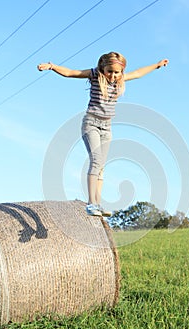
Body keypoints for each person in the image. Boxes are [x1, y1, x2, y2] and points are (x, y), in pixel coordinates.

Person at [37, 52, 169, 216]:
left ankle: (97, 204)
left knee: (101, 167)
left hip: (107, 127)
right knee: (96, 160)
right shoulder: (94, 75)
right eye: (109, 71)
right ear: (102, 68)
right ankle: (91, 203)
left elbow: (138, 73)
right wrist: (52, 66)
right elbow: (72, 73)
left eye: (116, 72)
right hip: (91, 123)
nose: (113, 75)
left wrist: (157, 65)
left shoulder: (120, 80)